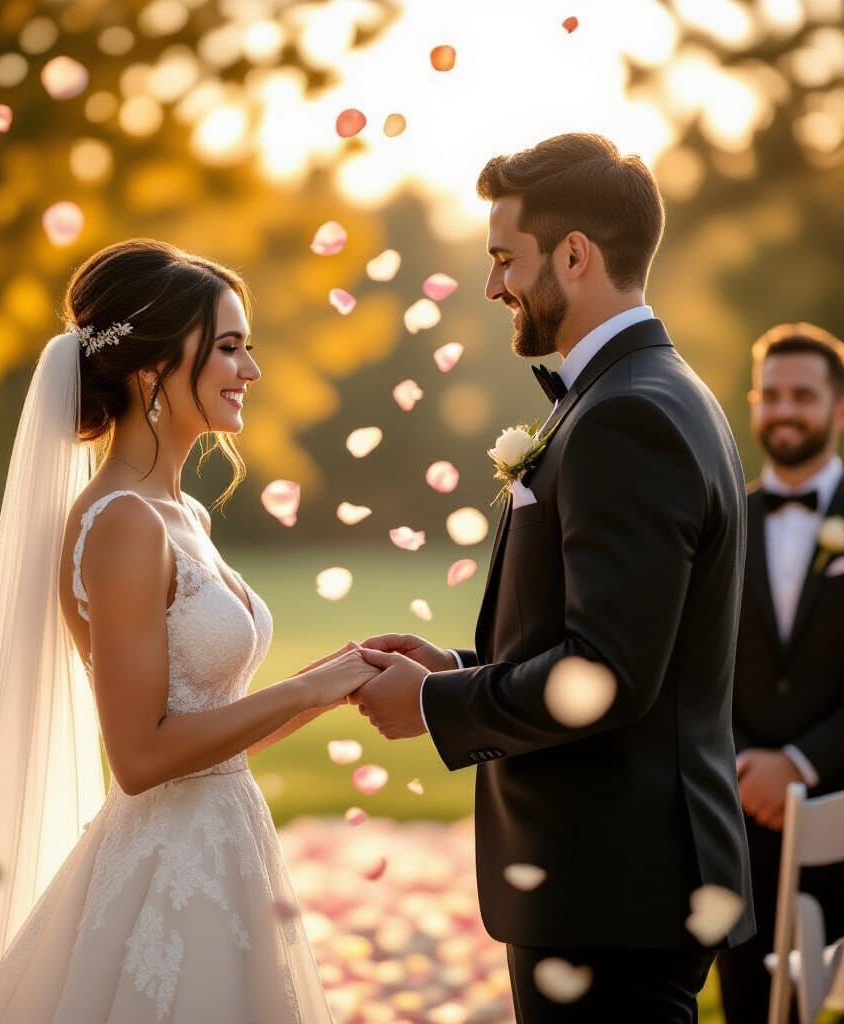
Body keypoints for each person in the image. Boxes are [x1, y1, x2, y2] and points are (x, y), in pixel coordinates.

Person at [0, 239, 375, 1023]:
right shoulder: (123, 523)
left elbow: (212, 736)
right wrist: (308, 686)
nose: (252, 371)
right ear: (152, 369)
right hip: (167, 874)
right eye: (231, 348)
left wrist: (341, 679)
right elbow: (141, 756)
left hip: (227, 845)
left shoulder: (187, 516)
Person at [351, 134, 755, 1022]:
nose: (494, 286)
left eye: (505, 259)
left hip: (611, 887)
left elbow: (606, 677)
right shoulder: (646, 391)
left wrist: (434, 707)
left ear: (575, 254)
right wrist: (460, 665)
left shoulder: (629, 415)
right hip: (619, 885)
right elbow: (605, 638)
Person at [717, 323, 844, 1024]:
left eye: (803, 394)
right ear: (754, 405)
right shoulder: (720, 518)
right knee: (753, 1008)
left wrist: (800, 763)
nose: (785, 409)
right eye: (771, 395)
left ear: (839, 409)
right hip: (740, 825)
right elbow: (687, 665)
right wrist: (742, 763)